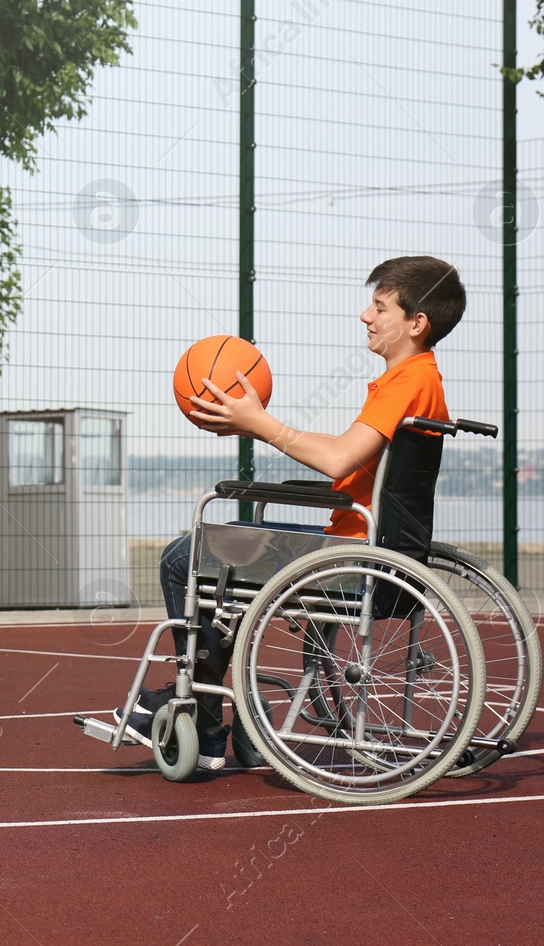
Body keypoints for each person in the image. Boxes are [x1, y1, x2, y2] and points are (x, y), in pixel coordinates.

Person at [119, 255, 466, 771]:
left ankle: (205, 718)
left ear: (416, 324)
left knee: (182, 557)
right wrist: (253, 423)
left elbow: (338, 458)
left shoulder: (407, 382)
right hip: (372, 550)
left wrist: (259, 422)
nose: (365, 316)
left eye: (379, 306)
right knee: (222, 549)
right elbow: (349, 448)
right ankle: (223, 706)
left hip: (354, 558)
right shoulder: (419, 379)